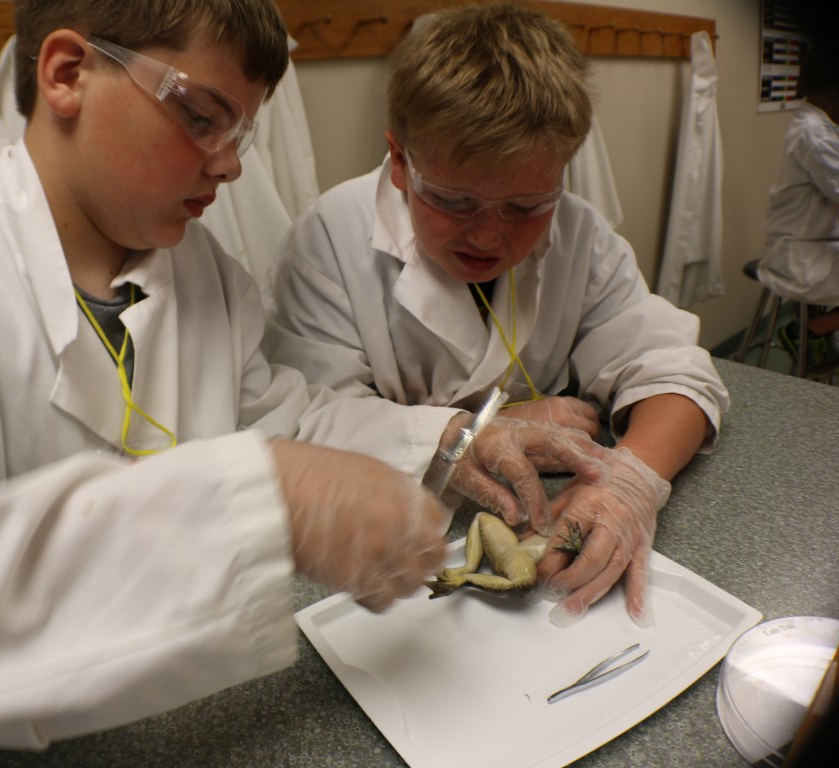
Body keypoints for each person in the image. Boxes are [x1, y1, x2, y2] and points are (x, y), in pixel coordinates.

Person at [0, 0, 460, 750]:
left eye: (241, 131)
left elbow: (284, 420)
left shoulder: (208, 275)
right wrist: (268, 494)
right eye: (202, 116)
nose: (231, 164)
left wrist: (451, 440)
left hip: (185, 729)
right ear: (67, 74)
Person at [267, 3, 729, 630]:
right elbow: (305, 420)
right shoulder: (329, 237)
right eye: (453, 201)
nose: (488, 236)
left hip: (544, 516)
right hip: (392, 560)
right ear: (400, 161)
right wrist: (468, 432)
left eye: (526, 206)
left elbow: (674, 367)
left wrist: (633, 480)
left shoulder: (581, 234)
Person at [757, 44, 839, 376]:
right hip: (803, 248)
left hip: (826, 238)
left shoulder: (830, 123)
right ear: (837, 90)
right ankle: (823, 326)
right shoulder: (813, 134)